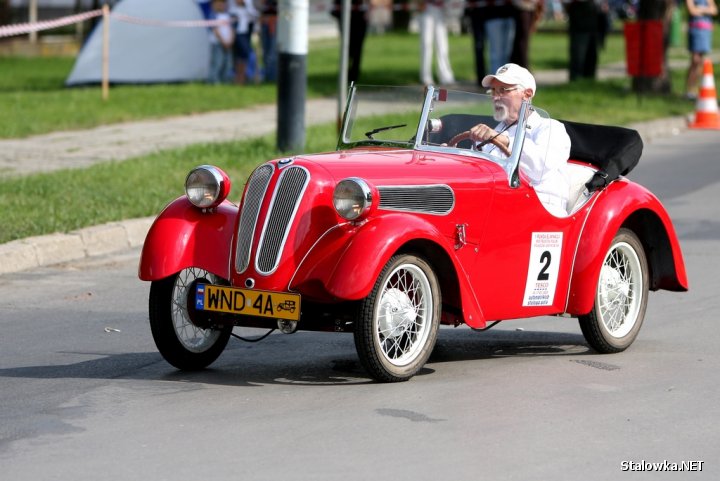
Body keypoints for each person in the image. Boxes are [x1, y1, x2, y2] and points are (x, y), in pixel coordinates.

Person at [470, 63, 571, 216]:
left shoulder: (550, 128)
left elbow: (540, 167)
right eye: (493, 91)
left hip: (542, 209)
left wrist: (504, 140)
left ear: (527, 94)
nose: (495, 97)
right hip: (497, 205)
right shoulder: (493, 131)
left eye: (503, 90)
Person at [685, 0, 718, 99]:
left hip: (705, 31)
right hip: (695, 30)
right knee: (695, 60)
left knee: (700, 62)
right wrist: (706, 10)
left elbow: (714, 10)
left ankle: (696, 89)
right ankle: (689, 89)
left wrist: (700, 9)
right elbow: (692, 10)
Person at [418, 0, 456, 86]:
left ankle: (445, 75)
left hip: (441, 9)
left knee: (442, 46)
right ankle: (425, 76)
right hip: (427, 8)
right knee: (426, 44)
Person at [563, 0, 602, 81]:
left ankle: (589, 78)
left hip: (592, 11)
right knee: (578, 52)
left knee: (592, 53)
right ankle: (576, 78)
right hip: (579, 12)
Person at [332, 0, 369, 83]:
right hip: (346, 20)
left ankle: (353, 74)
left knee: (357, 49)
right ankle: (346, 73)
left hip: (359, 21)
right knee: (347, 48)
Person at [229, 0, 259, 84]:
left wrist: (245, 5)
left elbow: (254, 14)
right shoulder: (233, 9)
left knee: (244, 55)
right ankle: (239, 77)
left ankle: (242, 77)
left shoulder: (248, 6)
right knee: (240, 55)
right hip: (237, 33)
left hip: (246, 32)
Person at [208, 0, 235, 84]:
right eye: (218, 2)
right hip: (217, 43)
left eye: (223, 2)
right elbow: (215, 30)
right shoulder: (213, 15)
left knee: (228, 63)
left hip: (228, 43)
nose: (221, 4)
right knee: (217, 62)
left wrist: (230, 41)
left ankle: (225, 80)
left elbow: (232, 29)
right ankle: (213, 80)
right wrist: (223, 41)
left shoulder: (229, 16)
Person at [258, 0, 278, 82]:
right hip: (264, 24)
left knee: (273, 54)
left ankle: (273, 77)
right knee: (266, 53)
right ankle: (268, 76)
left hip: (275, 24)